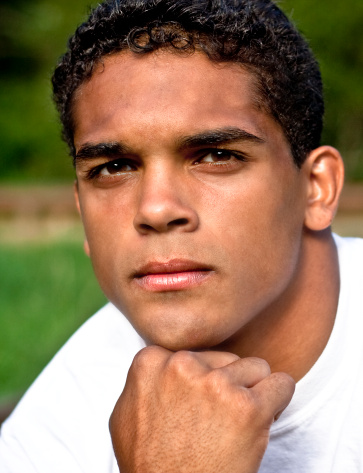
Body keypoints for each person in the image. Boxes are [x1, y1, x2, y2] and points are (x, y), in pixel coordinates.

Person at [1, 0, 363, 471]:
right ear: (82, 213)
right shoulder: (57, 424)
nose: (155, 209)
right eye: (114, 167)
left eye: (216, 155)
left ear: (317, 189)